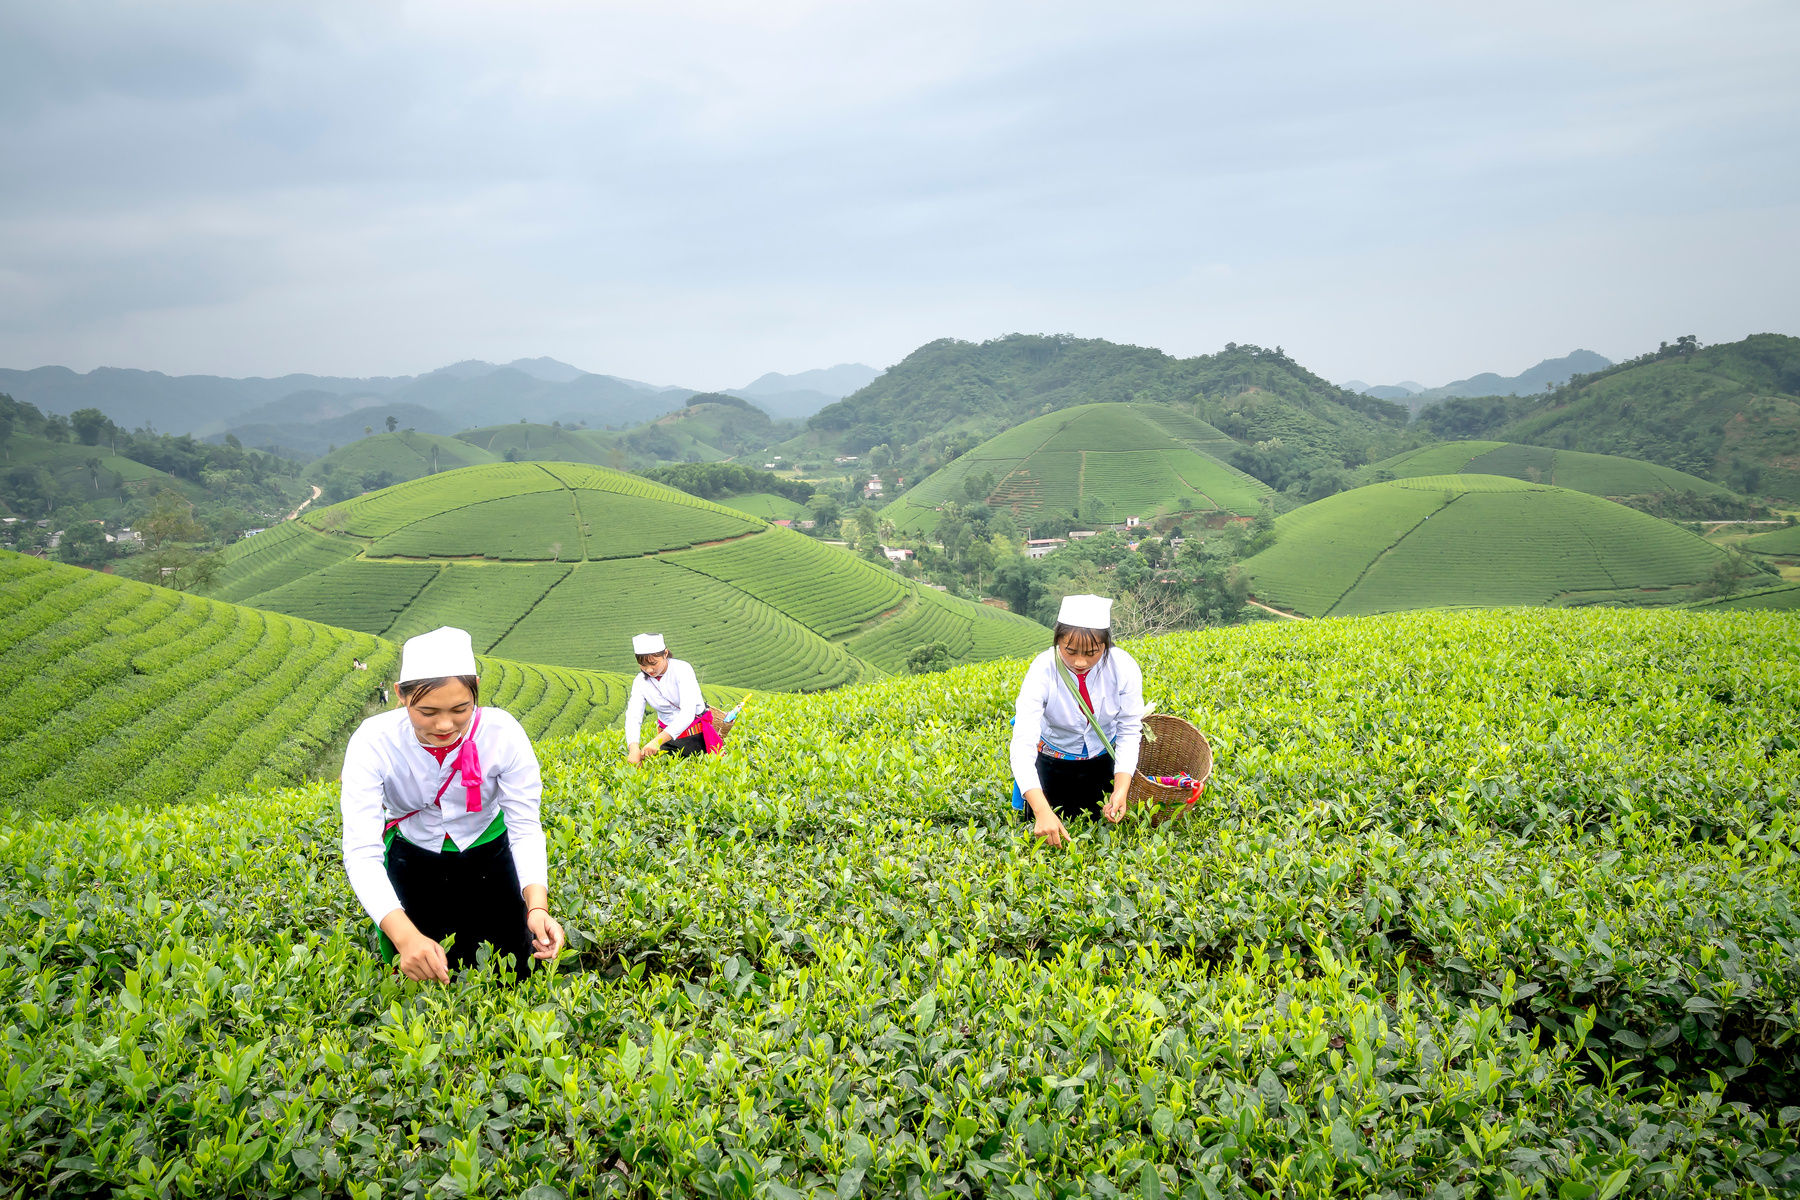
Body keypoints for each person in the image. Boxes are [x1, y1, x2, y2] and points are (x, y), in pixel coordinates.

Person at [340, 626, 565, 983]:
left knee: (514, 964)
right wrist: (406, 935)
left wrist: (537, 906)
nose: (445, 725)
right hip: (413, 857)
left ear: (476, 687)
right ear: (400, 695)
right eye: (427, 712)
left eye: (461, 708)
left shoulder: (502, 733)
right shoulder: (373, 742)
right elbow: (361, 850)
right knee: (429, 972)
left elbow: (524, 826)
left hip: (490, 852)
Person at [1009, 594, 1146, 847]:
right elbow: (1022, 744)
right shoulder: (1042, 670)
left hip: (1103, 761)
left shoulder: (1123, 667)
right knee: (1046, 835)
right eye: (1069, 651)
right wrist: (1041, 810)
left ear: (1105, 645)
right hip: (1053, 763)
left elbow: (1129, 730)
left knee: (1101, 831)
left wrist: (1121, 789)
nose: (1080, 662)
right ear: (1057, 641)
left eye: (1092, 652)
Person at [624, 633, 720, 763]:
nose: (649, 669)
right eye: (642, 665)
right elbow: (633, 716)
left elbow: (687, 713)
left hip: (695, 736)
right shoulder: (640, 682)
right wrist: (633, 747)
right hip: (666, 738)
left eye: (653, 663)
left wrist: (656, 741)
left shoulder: (682, 669)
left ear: (665, 653)